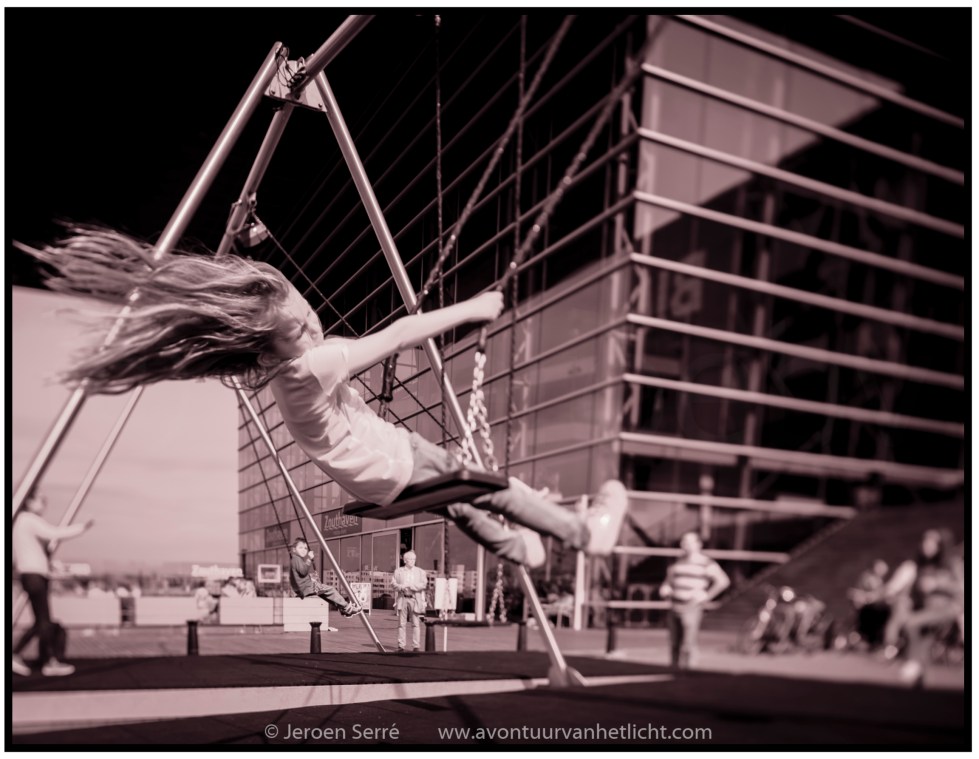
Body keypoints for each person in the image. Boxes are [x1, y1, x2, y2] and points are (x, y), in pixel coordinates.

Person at [20, 227, 628, 572]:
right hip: (399, 466)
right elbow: (394, 335)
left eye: (307, 318)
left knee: (463, 505)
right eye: (299, 329)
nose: (313, 329)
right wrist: (474, 308)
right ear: (265, 351)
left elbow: (343, 407)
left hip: (378, 480)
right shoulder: (313, 363)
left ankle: (523, 546)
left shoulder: (287, 374)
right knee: (492, 487)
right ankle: (585, 531)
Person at [12, 492, 95, 677]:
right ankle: (44, 660)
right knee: (44, 621)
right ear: (29, 502)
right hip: (34, 576)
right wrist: (82, 527)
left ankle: (33, 657)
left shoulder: (22, 523)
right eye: (41, 500)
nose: (44, 504)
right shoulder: (28, 519)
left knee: (42, 621)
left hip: (32, 575)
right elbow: (55, 533)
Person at [882, 529, 963, 687]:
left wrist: (937, 584)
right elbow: (916, 592)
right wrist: (907, 600)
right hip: (928, 610)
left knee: (913, 623)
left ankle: (913, 662)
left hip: (947, 609)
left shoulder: (952, 563)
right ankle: (920, 680)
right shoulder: (922, 565)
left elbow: (962, 589)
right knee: (924, 636)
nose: (926, 546)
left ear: (940, 546)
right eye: (924, 542)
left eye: (931, 543)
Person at [659, 531, 730, 669]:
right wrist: (665, 588)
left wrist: (706, 596)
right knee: (674, 642)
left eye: (687, 541)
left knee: (687, 644)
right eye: (683, 541)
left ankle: (687, 674)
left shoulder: (706, 563)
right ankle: (674, 671)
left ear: (698, 544)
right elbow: (668, 582)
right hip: (674, 605)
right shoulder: (677, 562)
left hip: (691, 607)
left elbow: (723, 581)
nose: (683, 544)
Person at [289, 539, 360, 616]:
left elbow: (300, 575)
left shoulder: (295, 559)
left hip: (304, 588)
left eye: (305, 548)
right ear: (294, 549)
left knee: (326, 595)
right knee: (331, 590)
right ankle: (346, 608)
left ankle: (343, 608)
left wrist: (311, 579)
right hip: (307, 588)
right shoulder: (296, 559)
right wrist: (309, 558)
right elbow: (303, 571)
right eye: (300, 547)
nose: (303, 550)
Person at [392, 551, 428, 652]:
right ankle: (401, 645)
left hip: (414, 599)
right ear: (405, 560)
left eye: (414, 559)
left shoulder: (420, 572)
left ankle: (416, 646)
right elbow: (393, 584)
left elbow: (424, 584)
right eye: (410, 559)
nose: (412, 561)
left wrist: (413, 587)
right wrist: (401, 587)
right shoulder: (398, 571)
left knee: (416, 623)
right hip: (402, 598)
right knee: (401, 623)